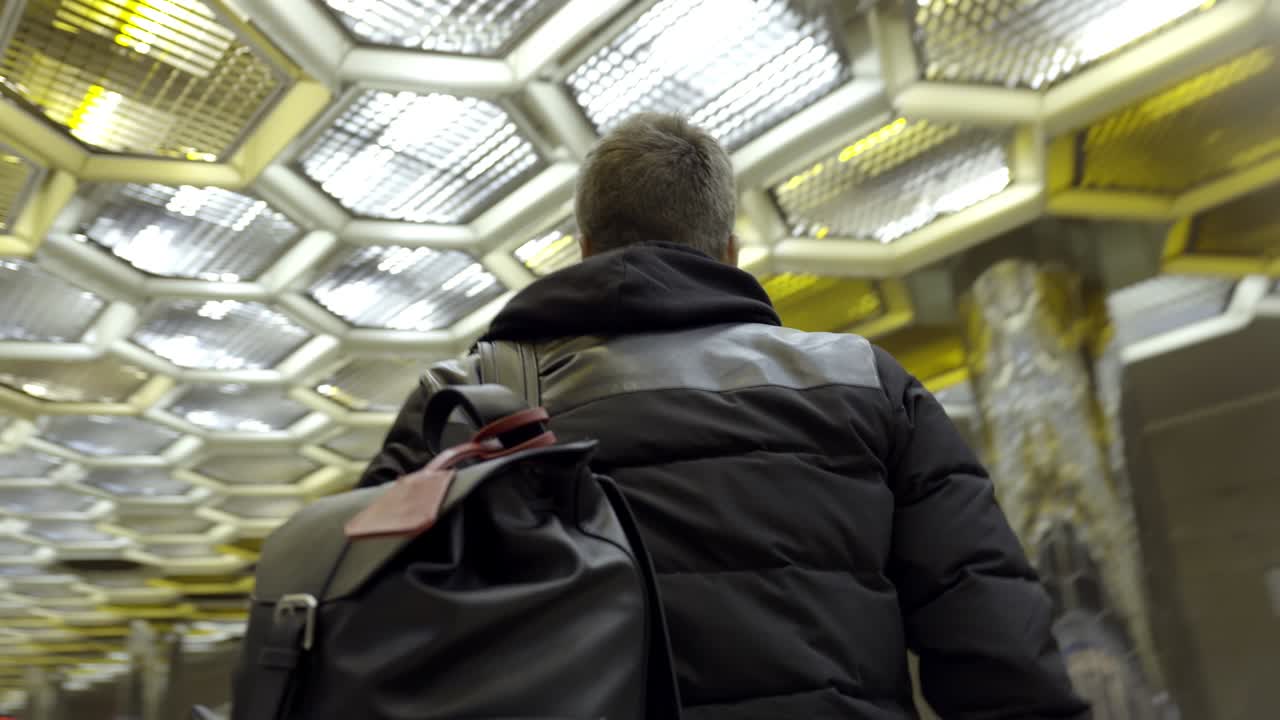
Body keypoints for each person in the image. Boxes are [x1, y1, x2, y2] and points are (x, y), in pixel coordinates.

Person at [360, 113, 1090, 719]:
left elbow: (367, 640)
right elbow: (997, 647)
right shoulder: (864, 383)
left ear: (582, 249)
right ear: (731, 252)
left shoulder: (467, 402)